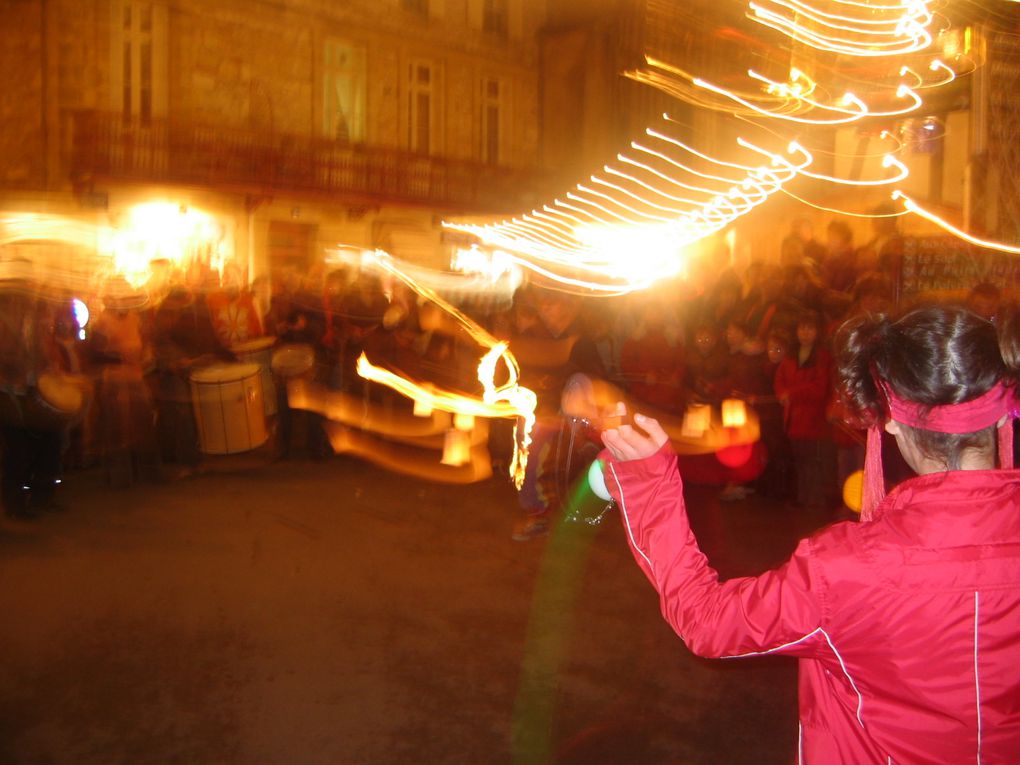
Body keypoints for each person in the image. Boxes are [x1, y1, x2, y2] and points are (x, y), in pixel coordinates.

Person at [598, 303, 1020, 763]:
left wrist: (650, 485)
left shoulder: (844, 569)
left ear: (891, 419)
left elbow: (706, 622)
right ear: (1002, 414)